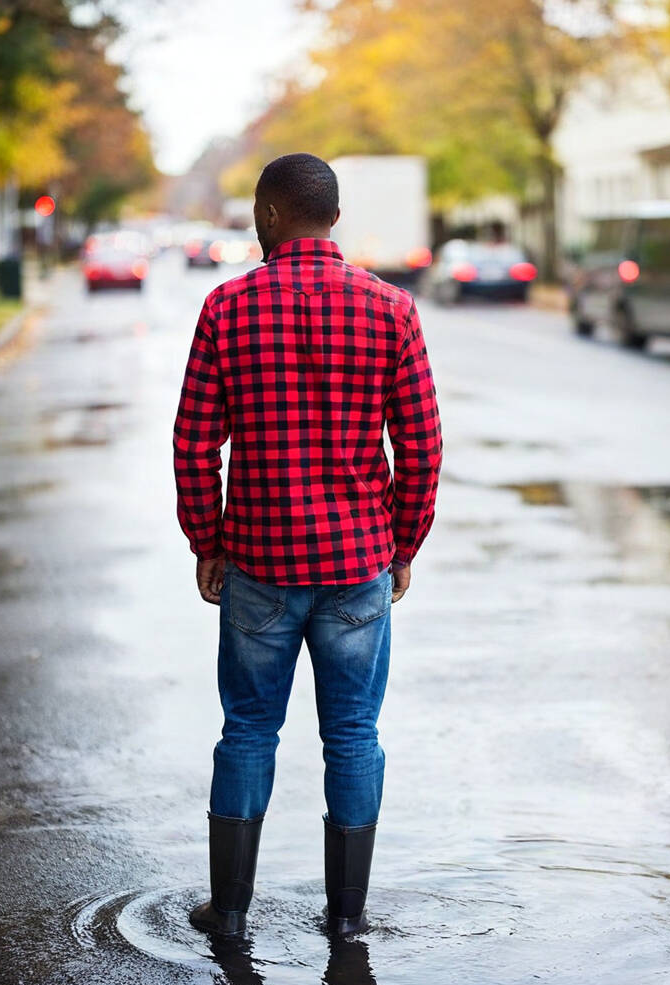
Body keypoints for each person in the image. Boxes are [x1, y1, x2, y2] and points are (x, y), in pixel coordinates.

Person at [173, 153, 442, 938]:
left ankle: (227, 912)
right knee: (353, 733)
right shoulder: (391, 308)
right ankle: (348, 916)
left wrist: (207, 541)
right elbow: (421, 444)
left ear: (269, 216)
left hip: (259, 565)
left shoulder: (228, 307)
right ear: (332, 217)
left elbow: (195, 442)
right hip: (357, 565)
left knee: (249, 730)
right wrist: (402, 546)